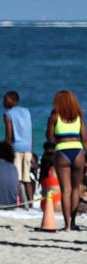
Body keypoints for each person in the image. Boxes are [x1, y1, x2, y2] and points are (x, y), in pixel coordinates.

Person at [45, 90, 86, 232]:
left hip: (62, 151)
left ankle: (67, 225)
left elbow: (49, 137)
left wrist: (51, 122)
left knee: (66, 190)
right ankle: (74, 222)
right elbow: (85, 139)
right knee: (76, 189)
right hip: (78, 151)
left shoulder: (55, 116)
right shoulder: (78, 116)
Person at [2, 91, 35, 208]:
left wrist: (3, 148)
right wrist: (31, 149)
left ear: (14, 101)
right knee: (27, 179)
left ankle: (21, 204)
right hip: (27, 148)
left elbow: (9, 136)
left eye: (6, 99)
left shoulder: (8, 114)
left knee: (17, 179)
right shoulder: (26, 111)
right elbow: (30, 131)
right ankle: (31, 204)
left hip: (16, 148)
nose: (4, 102)